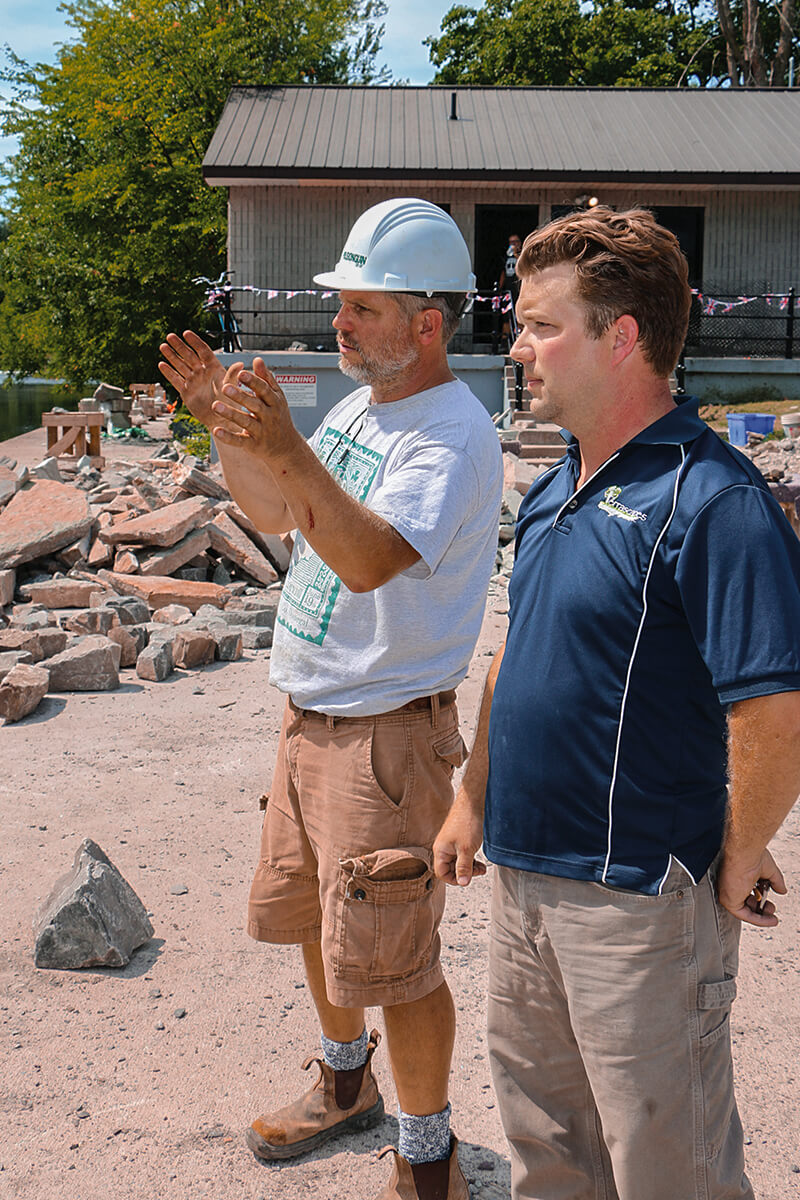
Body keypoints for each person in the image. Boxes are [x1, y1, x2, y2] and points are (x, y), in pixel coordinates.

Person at [433, 206, 800, 1200]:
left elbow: (771, 710)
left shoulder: (711, 500)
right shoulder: (555, 490)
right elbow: (520, 655)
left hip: (640, 901)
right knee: (549, 1153)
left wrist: (733, 846)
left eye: (540, 323)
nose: (515, 346)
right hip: (522, 879)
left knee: (665, 1167)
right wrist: (473, 797)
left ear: (621, 336)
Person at [158, 197, 503, 1200]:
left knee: (396, 957)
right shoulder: (360, 409)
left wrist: (287, 446)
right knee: (319, 922)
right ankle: (348, 1086)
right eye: (340, 306)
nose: (339, 327)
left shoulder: (449, 434)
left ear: (425, 324)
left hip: (387, 739)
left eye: (361, 308)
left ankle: (428, 1151)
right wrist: (230, 431)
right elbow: (272, 509)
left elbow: (360, 559)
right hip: (310, 718)